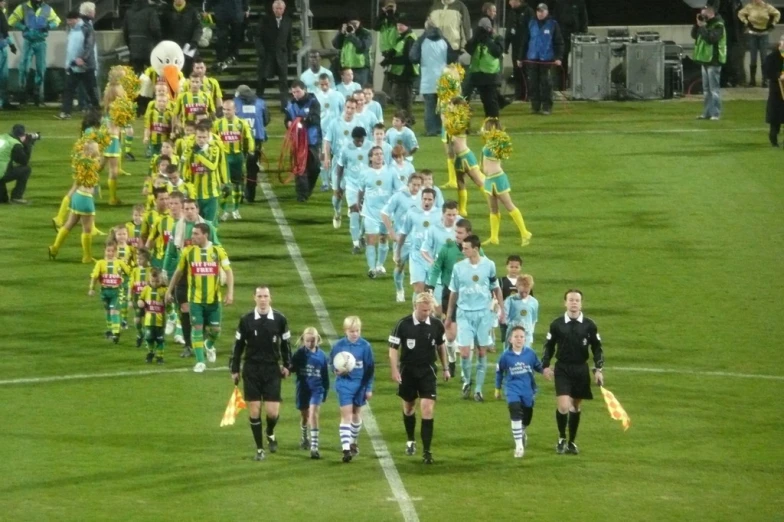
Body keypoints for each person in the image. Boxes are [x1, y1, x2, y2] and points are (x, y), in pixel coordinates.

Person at [231, 285, 292, 461]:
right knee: (254, 410)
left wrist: (288, 365)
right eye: (260, 296)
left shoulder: (280, 319)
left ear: (270, 298)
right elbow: (238, 346)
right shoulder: (246, 320)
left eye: (266, 296)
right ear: (254, 298)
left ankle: (270, 432)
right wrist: (235, 368)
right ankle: (259, 449)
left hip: (272, 369)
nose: (263, 299)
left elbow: (285, 344)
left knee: (272, 412)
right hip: (251, 369)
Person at [542, 289, 604, 455]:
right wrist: (546, 365)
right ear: (565, 303)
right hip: (562, 368)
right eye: (571, 300)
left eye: (577, 300)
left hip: (581, 369)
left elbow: (597, 348)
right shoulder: (557, 324)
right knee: (563, 406)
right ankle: (562, 438)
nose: (574, 303)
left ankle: (572, 442)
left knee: (575, 406)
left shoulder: (589, 325)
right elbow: (548, 346)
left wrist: (598, 369)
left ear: (581, 303)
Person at [389, 293, 448, 464]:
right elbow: (393, 349)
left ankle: (427, 451)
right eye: (423, 310)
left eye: (429, 310)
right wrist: (394, 370)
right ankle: (410, 439)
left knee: (427, 408)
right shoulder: (403, 324)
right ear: (415, 307)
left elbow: (441, 346)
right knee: (409, 407)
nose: (426, 313)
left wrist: (445, 368)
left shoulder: (436, 325)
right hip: (408, 371)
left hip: (428, 370)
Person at [166, 223, 234, 373]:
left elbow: (228, 272)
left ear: (206, 235)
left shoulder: (217, 251)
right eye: (193, 233)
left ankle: (209, 344)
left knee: (216, 329)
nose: (193, 236)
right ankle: (200, 362)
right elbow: (178, 273)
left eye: (196, 234)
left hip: (214, 300)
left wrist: (230, 293)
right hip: (195, 300)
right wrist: (169, 290)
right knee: (196, 328)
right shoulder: (188, 252)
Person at [445, 234, 505, 402]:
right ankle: (466, 381)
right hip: (464, 313)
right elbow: (454, 292)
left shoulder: (489, 265)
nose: (462, 250)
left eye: (465, 248)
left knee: (481, 351)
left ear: (475, 249)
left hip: (484, 314)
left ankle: (478, 389)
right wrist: (449, 316)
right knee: (464, 353)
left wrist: (502, 309)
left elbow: (496, 288)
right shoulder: (458, 268)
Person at [162, 198, 220, 357]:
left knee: (204, 309)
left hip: (204, 273)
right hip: (184, 273)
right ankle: (188, 345)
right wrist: (165, 270)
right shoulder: (177, 227)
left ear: (197, 209)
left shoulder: (208, 227)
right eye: (186, 208)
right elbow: (171, 251)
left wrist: (219, 273)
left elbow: (218, 249)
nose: (188, 211)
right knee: (185, 309)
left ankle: (205, 340)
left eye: (191, 208)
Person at [425, 217, 474, 376]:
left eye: (460, 232)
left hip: (469, 295)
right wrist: (430, 287)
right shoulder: (447, 248)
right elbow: (436, 268)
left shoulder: (476, 250)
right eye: (456, 232)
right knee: (451, 335)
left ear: (469, 233)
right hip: (450, 293)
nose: (457, 235)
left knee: (466, 333)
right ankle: (452, 358)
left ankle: (465, 375)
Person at [480, 118, 532, 245]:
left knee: (509, 205)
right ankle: (494, 237)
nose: (483, 129)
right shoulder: (490, 144)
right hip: (489, 180)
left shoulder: (494, 145)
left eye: (485, 128)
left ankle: (525, 233)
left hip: (497, 179)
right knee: (493, 209)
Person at [330, 316, 375, 463]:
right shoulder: (338, 346)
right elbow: (331, 364)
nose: (355, 334)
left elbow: (370, 369)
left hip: (360, 385)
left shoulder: (365, 346)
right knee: (346, 415)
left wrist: (368, 388)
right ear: (345, 331)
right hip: (344, 385)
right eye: (351, 331)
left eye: (357, 331)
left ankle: (353, 442)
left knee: (356, 414)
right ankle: (346, 450)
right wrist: (336, 371)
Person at [494, 325, 542, 458]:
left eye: (521, 337)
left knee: (527, 416)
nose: (519, 339)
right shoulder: (505, 356)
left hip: (527, 390)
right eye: (516, 337)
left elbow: (537, 366)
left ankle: (522, 430)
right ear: (510, 339)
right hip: (512, 389)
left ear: (525, 339)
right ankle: (519, 447)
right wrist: (497, 389)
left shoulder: (530, 354)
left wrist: (545, 371)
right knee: (515, 411)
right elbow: (499, 373)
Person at [358, 146, 402, 278]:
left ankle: (379, 264)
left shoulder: (391, 172)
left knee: (384, 238)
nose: (379, 156)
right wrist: (359, 205)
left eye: (381, 154)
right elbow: (361, 191)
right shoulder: (365, 173)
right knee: (371, 239)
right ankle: (371, 268)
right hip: (370, 212)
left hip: (386, 213)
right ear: (371, 158)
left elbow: (399, 189)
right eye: (376, 154)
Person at [7, 0, 60, 105]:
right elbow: (11, 20)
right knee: (24, 68)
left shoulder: (47, 8)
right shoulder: (23, 7)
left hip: (40, 42)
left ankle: (38, 96)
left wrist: (49, 26)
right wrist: (23, 27)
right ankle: (22, 94)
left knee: (40, 68)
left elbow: (57, 21)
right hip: (29, 42)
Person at [382, 173, 422, 302]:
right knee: (400, 266)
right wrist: (392, 233)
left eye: (418, 185)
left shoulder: (424, 197)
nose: (416, 188)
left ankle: (420, 295)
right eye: (414, 184)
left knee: (420, 268)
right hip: (402, 240)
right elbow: (384, 213)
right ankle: (399, 289)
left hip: (419, 240)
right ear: (408, 184)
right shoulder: (399, 196)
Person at [291, 327, 330, 459]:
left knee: (313, 414)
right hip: (302, 389)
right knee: (305, 416)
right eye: (307, 341)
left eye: (313, 341)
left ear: (317, 340)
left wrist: (325, 392)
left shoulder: (322, 356)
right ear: (303, 340)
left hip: (316, 390)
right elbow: (291, 367)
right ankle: (304, 437)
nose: (310, 343)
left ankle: (314, 447)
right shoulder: (299, 354)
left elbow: (325, 376)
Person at [324, 97, 362, 228]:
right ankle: (337, 211)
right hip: (337, 163)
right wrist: (327, 157)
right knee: (337, 193)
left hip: (353, 164)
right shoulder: (335, 123)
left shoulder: (359, 124)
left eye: (352, 108)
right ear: (344, 107)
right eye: (348, 107)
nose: (350, 110)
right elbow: (327, 141)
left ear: (356, 109)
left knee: (356, 190)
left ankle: (353, 210)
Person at [410, 19, 453, 137]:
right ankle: (442, 129)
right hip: (443, 78)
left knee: (430, 106)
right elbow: (452, 57)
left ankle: (431, 130)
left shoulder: (422, 40)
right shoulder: (444, 40)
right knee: (443, 106)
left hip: (428, 78)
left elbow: (413, 57)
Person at [396, 188, 439, 305]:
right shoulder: (412, 213)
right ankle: (417, 317)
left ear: (434, 200)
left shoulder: (440, 214)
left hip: (432, 258)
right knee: (419, 290)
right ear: (421, 199)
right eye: (425, 199)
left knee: (430, 291)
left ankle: (428, 317)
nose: (427, 201)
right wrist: (397, 252)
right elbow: (404, 233)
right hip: (416, 256)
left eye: (430, 199)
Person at [519, 3, 563, 116]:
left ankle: (547, 107)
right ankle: (535, 106)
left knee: (546, 84)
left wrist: (558, 57)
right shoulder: (531, 23)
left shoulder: (553, 24)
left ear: (547, 12)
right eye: (538, 11)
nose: (540, 13)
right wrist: (520, 57)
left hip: (547, 59)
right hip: (532, 58)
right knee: (533, 83)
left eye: (542, 11)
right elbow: (524, 41)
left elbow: (559, 42)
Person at [213, 98, 254, 220]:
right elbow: (213, 140)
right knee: (224, 185)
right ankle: (225, 210)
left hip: (237, 157)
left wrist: (250, 149)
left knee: (237, 184)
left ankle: (236, 209)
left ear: (235, 110)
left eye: (228, 110)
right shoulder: (218, 124)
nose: (226, 112)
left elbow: (249, 137)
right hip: (223, 158)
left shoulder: (242, 123)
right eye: (224, 109)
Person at [283, 80, 322, 202]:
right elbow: (287, 119)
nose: (295, 94)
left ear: (304, 90)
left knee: (314, 167)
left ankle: (307, 189)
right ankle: (301, 195)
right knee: (300, 167)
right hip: (297, 141)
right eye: (293, 92)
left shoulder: (313, 102)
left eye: (298, 91)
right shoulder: (290, 105)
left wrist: (303, 120)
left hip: (312, 140)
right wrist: (289, 123)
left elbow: (316, 118)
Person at [182, 121, 228, 222]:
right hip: (194, 194)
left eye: (204, 137)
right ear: (195, 136)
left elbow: (212, 166)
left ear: (208, 137)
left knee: (210, 225)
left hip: (211, 194)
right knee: (196, 224)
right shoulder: (189, 148)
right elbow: (183, 165)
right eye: (199, 137)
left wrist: (198, 154)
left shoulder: (214, 149)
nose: (201, 140)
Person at [335, 126, 371, 249]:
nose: (360, 142)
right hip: (352, 185)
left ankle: (361, 235)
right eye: (357, 140)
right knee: (354, 212)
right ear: (353, 139)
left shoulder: (370, 147)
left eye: (361, 139)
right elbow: (340, 168)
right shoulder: (346, 149)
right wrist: (338, 186)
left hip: (367, 187)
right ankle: (355, 243)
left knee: (366, 215)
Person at [89, 240, 131, 344]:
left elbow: (130, 272)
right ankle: (110, 330)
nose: (110, 253)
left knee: (114, 311)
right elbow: (94, 276)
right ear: (104, 251)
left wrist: (128, 284)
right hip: (104, 291)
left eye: (113, 251)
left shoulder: (120, 262)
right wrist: (91, 288)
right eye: (108, 251)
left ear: (116, 252)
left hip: (117, 291)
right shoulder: (100, 263)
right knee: (108, 311)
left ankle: (116, 333)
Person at [233, 84, 269, 203]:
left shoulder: (235, 103)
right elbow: (266, 119)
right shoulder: (260, 102)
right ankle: (250, 195)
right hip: (256, 139)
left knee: (238, 167)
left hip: (239, 140)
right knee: (252, 168)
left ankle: (238, 194)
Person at [466, 17, 505, 118]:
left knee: (491, 102)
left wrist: (488, 40)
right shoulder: (476, 39)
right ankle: (489, 124)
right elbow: (469, 49)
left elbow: (497, 52)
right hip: (478, 74)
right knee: (485, 101)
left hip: (491, 75)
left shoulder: (497, 38)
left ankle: (494, 125)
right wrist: (476, 38)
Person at [693, 5, 727, 121]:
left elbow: (711, 39)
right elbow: (694, 35)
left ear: (710, 13)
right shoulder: (706, 24)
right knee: (706, 90)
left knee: (714, 90)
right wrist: (697, 25)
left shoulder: (718, 25)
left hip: (714, 60)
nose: (703, 17)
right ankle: (706, 113)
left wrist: (703, 27)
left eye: (704, 15)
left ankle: (715, 113)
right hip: (705, 60)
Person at [256, 0, 292, 111]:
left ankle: (284, 105)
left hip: (282, 55)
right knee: (262, 80)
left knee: (283, 83)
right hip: (267, 55)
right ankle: (258, 104)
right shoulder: (265, 20)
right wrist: (261, 51)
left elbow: (289, 40)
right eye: (276, 8)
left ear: (284, 9)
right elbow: (257, 37)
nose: (278, 10)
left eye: (280, 8)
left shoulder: (288, 21)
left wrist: (290, 56)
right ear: (273, 9)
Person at [382, 15, 419, 122]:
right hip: (400, 73)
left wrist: (391, 60)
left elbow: (407, 58)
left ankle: (407, 118)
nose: (399, 27)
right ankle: (406, 117)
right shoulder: (403, 37)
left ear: (407, 26)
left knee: (403, 98)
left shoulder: (409, 38)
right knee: (398, 96)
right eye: (398, 25)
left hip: (406, 73)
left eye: (401, 25)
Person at [738, 0, 780, 87]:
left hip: (764, 33)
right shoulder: (750, 7)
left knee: (764, 57)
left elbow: (777, 13)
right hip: (752, 33)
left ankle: (765, 80)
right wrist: (747, 22)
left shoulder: (767, 7)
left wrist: (773, 23)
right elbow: (740, 13)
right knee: (753, 57)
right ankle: (752, 81)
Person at [553, 0, 588, 89]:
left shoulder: (579, 3)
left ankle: (581, 86)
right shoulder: (559, 3)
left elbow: (583, 18)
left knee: (579, 61)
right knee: (562, 60)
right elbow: (555, 19)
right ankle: (561, 85)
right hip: (563, 36)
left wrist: (583, 34)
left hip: (576, 36)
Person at [161, 0, 202, 76]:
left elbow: (198, 28)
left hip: (188, 47)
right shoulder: (166, 11)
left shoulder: (193, 11)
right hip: (171, 49)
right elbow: (162, 29)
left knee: (188, 72)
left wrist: (194, 41)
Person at [206, 0, 248, 71]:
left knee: (235, 37)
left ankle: (232, 56)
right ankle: (221, 58)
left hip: (235, 12)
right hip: (223, 13)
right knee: (222, 37)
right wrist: (206, 9)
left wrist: (246, 8)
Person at [122, 0, 161, 75]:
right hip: (149, 49)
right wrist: (158, 42)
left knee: (136, 77)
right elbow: (155, 29)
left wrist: (130, 45)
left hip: (134, 49)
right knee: (152, 75)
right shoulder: (151, 11)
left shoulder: (128, 12)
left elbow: (125, 32)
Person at [505, 0, 534, 101]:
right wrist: (506, 46)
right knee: (516, 70)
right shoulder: (512, 13)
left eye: (511, 0)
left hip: (527, 47)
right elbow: (509, 31)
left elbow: (532, 30)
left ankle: (529, 94)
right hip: (515, 46)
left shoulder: (528, 12)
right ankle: (519, 93)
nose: (509, 3)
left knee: (526, 70)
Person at [333, 16, 373, 87]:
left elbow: (363, 47)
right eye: (351, 23)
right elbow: (336, 45)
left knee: (360, 90)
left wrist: (352, 36)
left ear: (359, 23)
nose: (353, 25)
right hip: (346, 67)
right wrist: (341, 34)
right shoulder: (345, 33)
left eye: (355, 23)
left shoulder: (365, 33)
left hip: (360, 68)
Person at [138, 268, 167, 363]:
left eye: (157, 281)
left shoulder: (165, 290)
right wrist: (140, 302)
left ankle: (160, 356)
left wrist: (168, 301)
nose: (154, 283)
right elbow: (140, 299)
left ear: (162, 279)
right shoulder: (146, 289)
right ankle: (150, 352)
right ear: (149, 280)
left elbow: (170, 304)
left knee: (160, 340)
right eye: (152, 281)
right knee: (149, 338)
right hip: (148, 320)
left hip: (160, 321)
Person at [0, 124, 33, 204]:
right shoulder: (15, 144)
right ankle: (16, 197)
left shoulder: (2, 136)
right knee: (26, 169)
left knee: (3, 201)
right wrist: (28, 144)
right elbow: (24, 161)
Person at [503, 274, 538, 348]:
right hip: (512, 334)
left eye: (526, 291)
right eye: (521, 292)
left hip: (526, 335)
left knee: (524, 357)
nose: (524, 294)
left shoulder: (534, 302)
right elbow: (504, 317)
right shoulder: (510, 300)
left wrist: (531, 334)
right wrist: (514, 325)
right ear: (517, 287)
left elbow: (534, 320)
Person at [763, 36, 784, 146]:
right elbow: (767, 72)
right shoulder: (772, 57)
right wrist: (778, 75)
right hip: (776, 90)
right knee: (775, 115)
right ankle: (773, 137)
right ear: (780, 43)